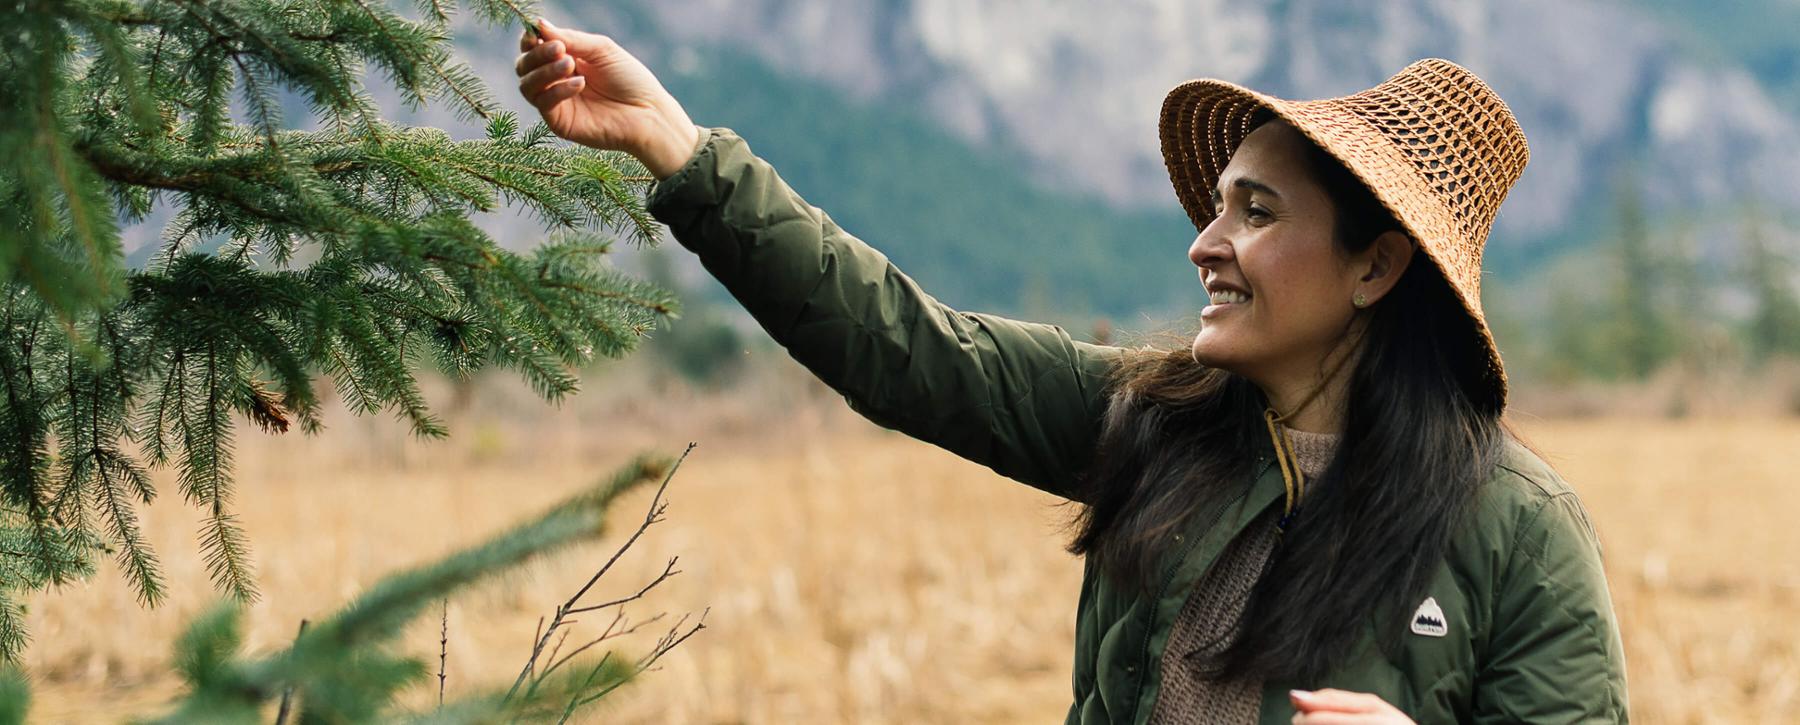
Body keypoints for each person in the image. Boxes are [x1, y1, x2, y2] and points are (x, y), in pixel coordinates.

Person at [513, 18, 1629, 724]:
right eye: (1217, 203)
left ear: (1377, 266)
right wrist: (681, 149)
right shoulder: (1148, 418)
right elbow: (904, 347)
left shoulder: (1515, 531)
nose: (1207, 239)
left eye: (1259, 210)